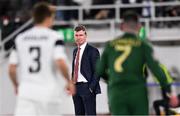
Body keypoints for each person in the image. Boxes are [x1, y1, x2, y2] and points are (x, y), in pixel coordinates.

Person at [96, 11, 178, 115]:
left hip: (116, 92)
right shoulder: (143, 45)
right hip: (137, 92)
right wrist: (169, 91)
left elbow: (98, 71)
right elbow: (157, 70)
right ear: (139, 27)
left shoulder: (110, 45)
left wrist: (112, 80)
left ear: (122, 26)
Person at [8, 2, 75, 115]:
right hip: (49, 93)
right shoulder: (54, 37)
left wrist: (16, 85)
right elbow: (60, 61)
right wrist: (69, 81)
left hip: (26, 93)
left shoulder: (20, 38)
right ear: (49, 18)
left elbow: (12, 68)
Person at [72, 25, 101, 115]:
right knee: (78, 114)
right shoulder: (75, 51)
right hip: (76, 88)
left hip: (87, 87)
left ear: (85, 36)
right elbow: (74, 69)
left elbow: (98, 71)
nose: (78, 37)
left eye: (81, 35)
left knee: (90, 114)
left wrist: (91, 88)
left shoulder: (93, 51)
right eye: (76, 35)